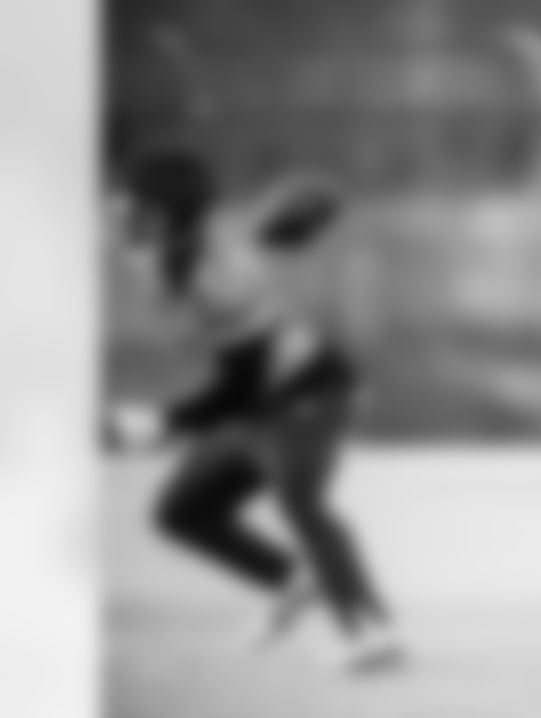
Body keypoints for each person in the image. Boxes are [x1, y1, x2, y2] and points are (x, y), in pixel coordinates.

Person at [105, 145, 405, 674]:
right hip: (259, 399)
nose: (113, 206)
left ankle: (371, 632)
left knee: (302, 504)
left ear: (162, 208)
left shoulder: (222, 275)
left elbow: (242, 384)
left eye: (127, 198)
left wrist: (161, 422)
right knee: (183, 512)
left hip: (306, 394)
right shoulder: (167, 255)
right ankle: (295, 582)